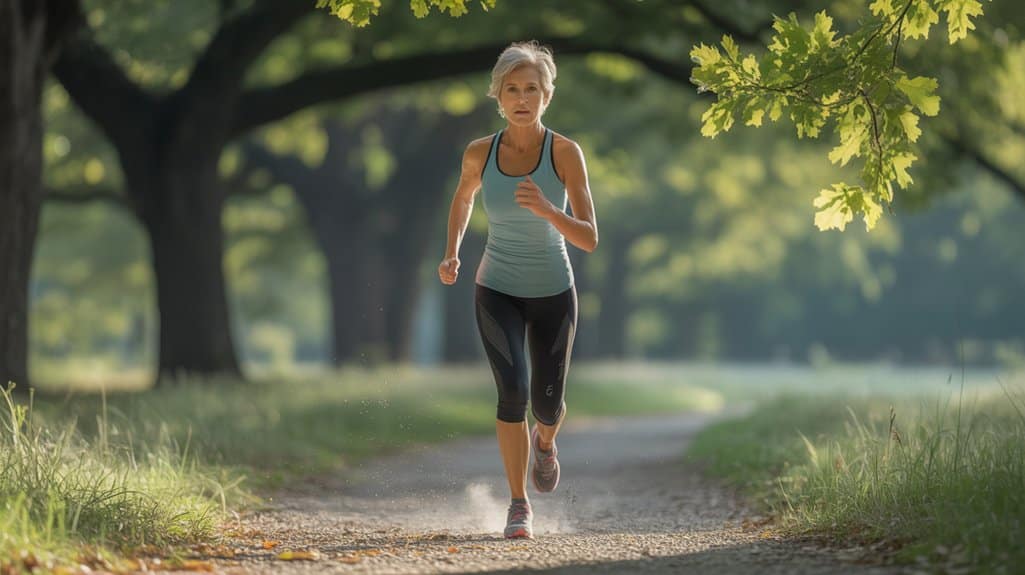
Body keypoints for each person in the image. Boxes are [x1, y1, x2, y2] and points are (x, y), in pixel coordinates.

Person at [437, 40, 599, 540]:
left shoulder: (565, 153)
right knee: (512, 393)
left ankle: (545, 443)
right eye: (512, 89)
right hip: (497, 288)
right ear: (499, 95)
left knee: (547, 405)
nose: (522, 97)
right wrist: (453, 251)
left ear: (546, 96)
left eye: (532, 88)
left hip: (554, 291)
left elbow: (589, 238)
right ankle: (518, 504)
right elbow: (464, 200)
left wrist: (550, 211)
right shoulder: (479, 153)